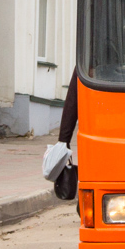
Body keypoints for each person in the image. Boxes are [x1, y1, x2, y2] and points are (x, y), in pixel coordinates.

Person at [41, 69, 79, 200]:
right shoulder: (91, 55)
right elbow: (73, 101)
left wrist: (64, 139)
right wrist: (64, 140)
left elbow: (72, 102)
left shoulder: (90, 58)